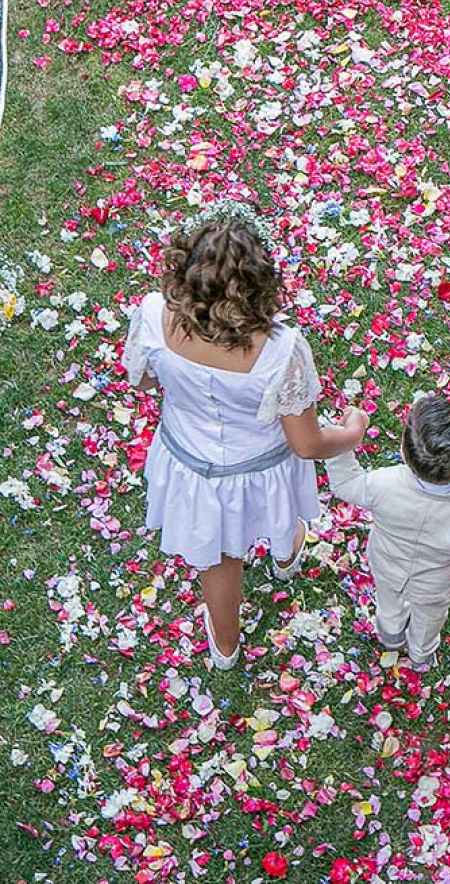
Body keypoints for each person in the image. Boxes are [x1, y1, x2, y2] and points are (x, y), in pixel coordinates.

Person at [121, 201, 367, 670]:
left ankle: (225, 648)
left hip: (188, 460)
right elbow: (307, 444)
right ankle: (286, 557)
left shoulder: (155, 313)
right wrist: (351, 432)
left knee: (220, 560)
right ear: (259, 283)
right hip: (261, 467)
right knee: (281, 511)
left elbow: (144, 380)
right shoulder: (281, 349)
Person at [325, 395, 450, 669]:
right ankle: (421, 656)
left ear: (404, 451)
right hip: (436, 585)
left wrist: (340, 441)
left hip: (387, 565)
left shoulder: (384, 483)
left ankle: (390, 637)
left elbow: (345, 483)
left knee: (389, 603)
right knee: (429, 620)